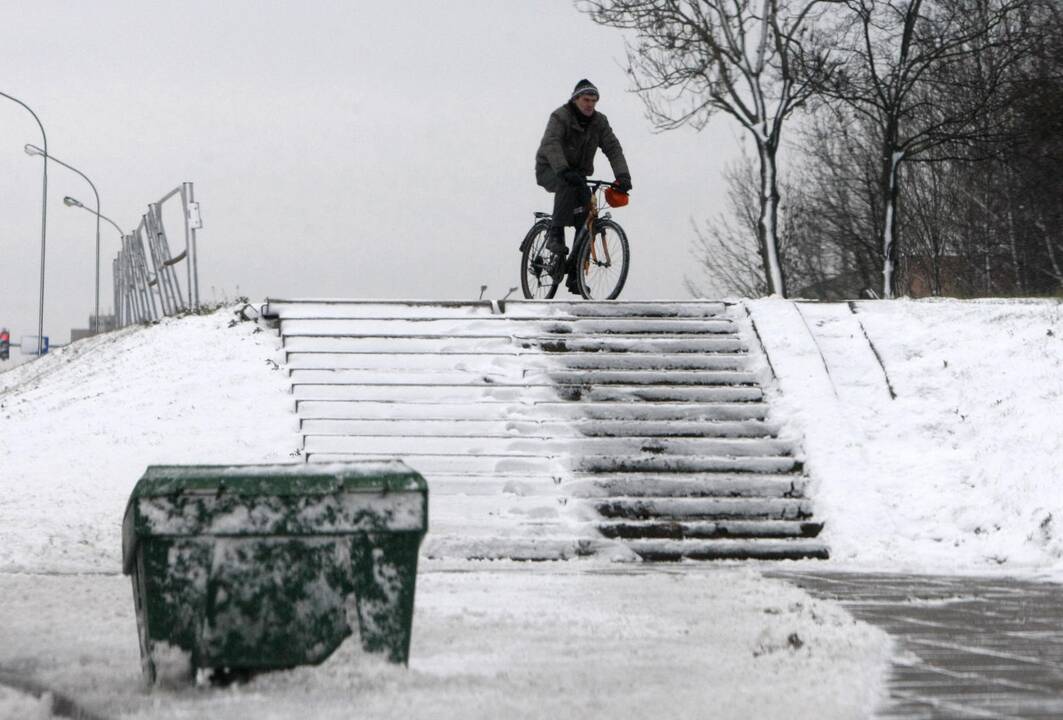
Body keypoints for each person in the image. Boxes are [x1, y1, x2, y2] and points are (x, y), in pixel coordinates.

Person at [535, 79, 632, 291]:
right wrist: (562, 169)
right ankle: (555, 234)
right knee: (566, 185)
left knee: (586, 216)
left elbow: (613, 148)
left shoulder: (600, 122)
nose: (590, 105)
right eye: (586, 100)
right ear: (576, 99)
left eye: (594, 101)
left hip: (578, 173)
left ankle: (575, 276)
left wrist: (623, 176)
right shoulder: (560, 117)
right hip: (551, 168)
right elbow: (550, 144)